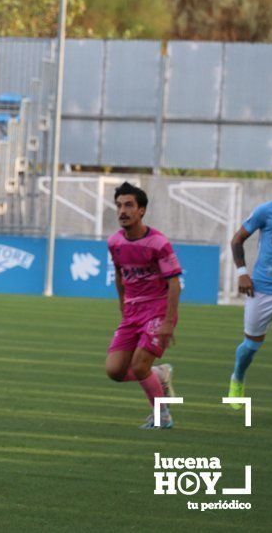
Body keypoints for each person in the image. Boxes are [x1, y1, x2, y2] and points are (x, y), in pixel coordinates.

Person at [105, 182, 180, 429]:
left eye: (128, 205)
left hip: (157, 310)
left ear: (141, 210)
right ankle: (159, 375)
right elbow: (119, 274)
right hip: (132, 312)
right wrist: (122, 305)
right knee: (115, 371)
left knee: (139, 366)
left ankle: (162, 416)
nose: (122, 211)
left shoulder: (158, 243)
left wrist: (168, 322)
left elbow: (174, 284)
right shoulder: (115, 242)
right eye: (118, 205)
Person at [226, 199, 272, 410]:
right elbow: (237, 240)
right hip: (263, 289)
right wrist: (242, 273)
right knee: (250, 346)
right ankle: (238, 377)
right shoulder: (266, 211)